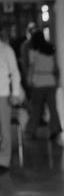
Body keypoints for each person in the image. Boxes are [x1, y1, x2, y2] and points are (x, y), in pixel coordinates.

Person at [25, 30, 62, 143]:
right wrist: (57, 80)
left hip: (38, 82)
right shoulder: (51, 50)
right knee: (52, 108)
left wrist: (28, 79)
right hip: (50, 81)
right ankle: (55, 129)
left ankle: (31, 131)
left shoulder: (33, 52)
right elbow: (56, 67)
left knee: (36, 108)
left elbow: (31, 67)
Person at [0, 24, 23, 173]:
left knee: (4, 129)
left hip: (3, 94)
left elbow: (15, 72)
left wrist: (15, 93)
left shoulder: (6, 50)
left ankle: (3, 161)